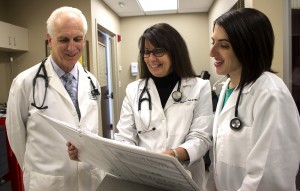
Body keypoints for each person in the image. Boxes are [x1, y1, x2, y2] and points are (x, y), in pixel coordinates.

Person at [6, 6, 102, 191]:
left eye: (78, 39)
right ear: (50, 40)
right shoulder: (25, 82)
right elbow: (16, 137)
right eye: (63, 39)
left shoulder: (92, 82)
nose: (72, 47)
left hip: (89, 179)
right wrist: (36, 171)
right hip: (48, 183)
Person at [209, 8, 300, 190]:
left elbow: (269, 176)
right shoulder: (228, 86)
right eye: (213, 42)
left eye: (224, 45)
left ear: (248, 47)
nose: (212, 52)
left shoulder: (271, 94)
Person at [114, 23, 213, 188]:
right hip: (144, 177)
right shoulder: (133, 90)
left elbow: (201, 138)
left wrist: (174, 154)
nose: (151, 59)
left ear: (175, 52)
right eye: (147, 52)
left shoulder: (199, 87)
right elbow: (125, 137)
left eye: (159, 51)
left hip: (185, 175)